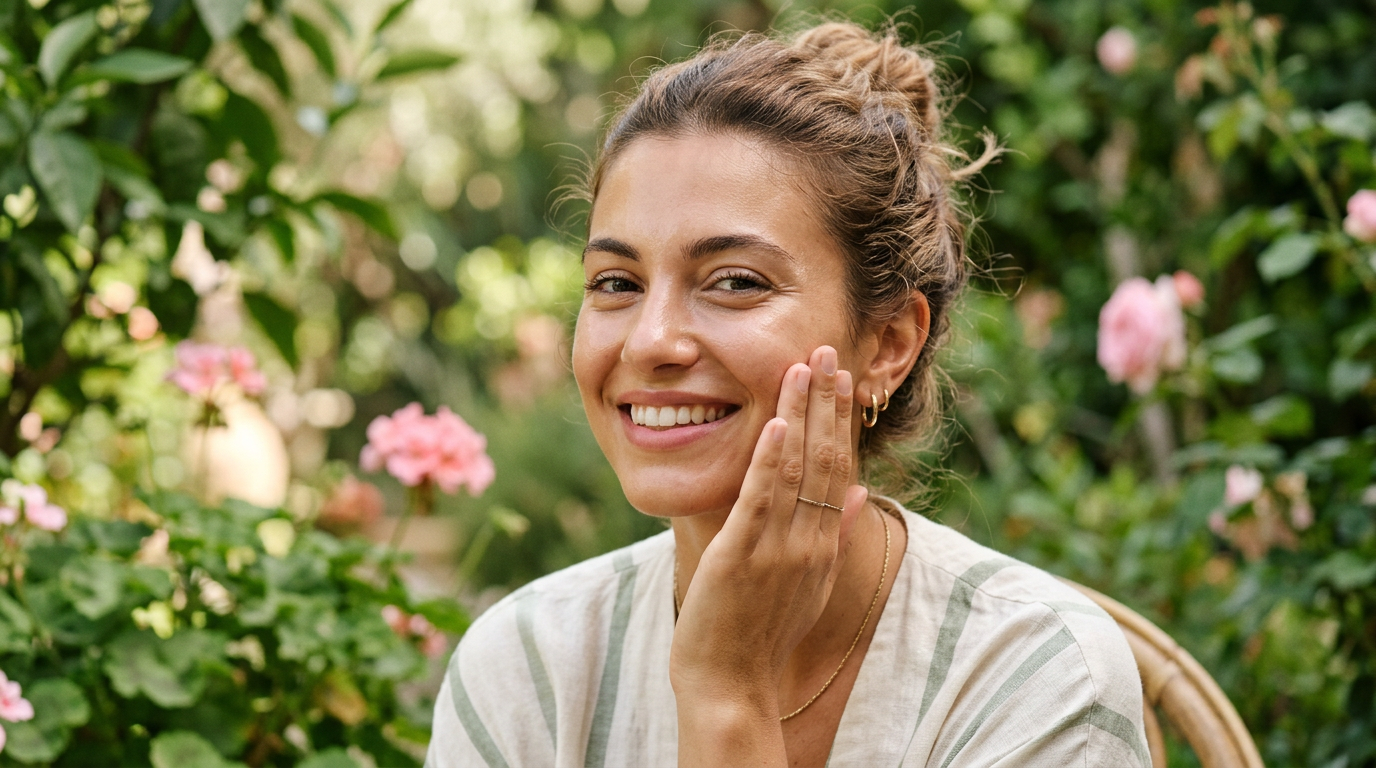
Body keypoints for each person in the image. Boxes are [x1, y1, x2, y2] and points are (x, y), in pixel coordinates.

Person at [427, 21, 1148, 768]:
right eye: (617, 283)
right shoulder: (526, 667)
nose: (650, 341)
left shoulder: (1036, 678)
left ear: (889, 344)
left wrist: (727, 695)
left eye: (736, 282)